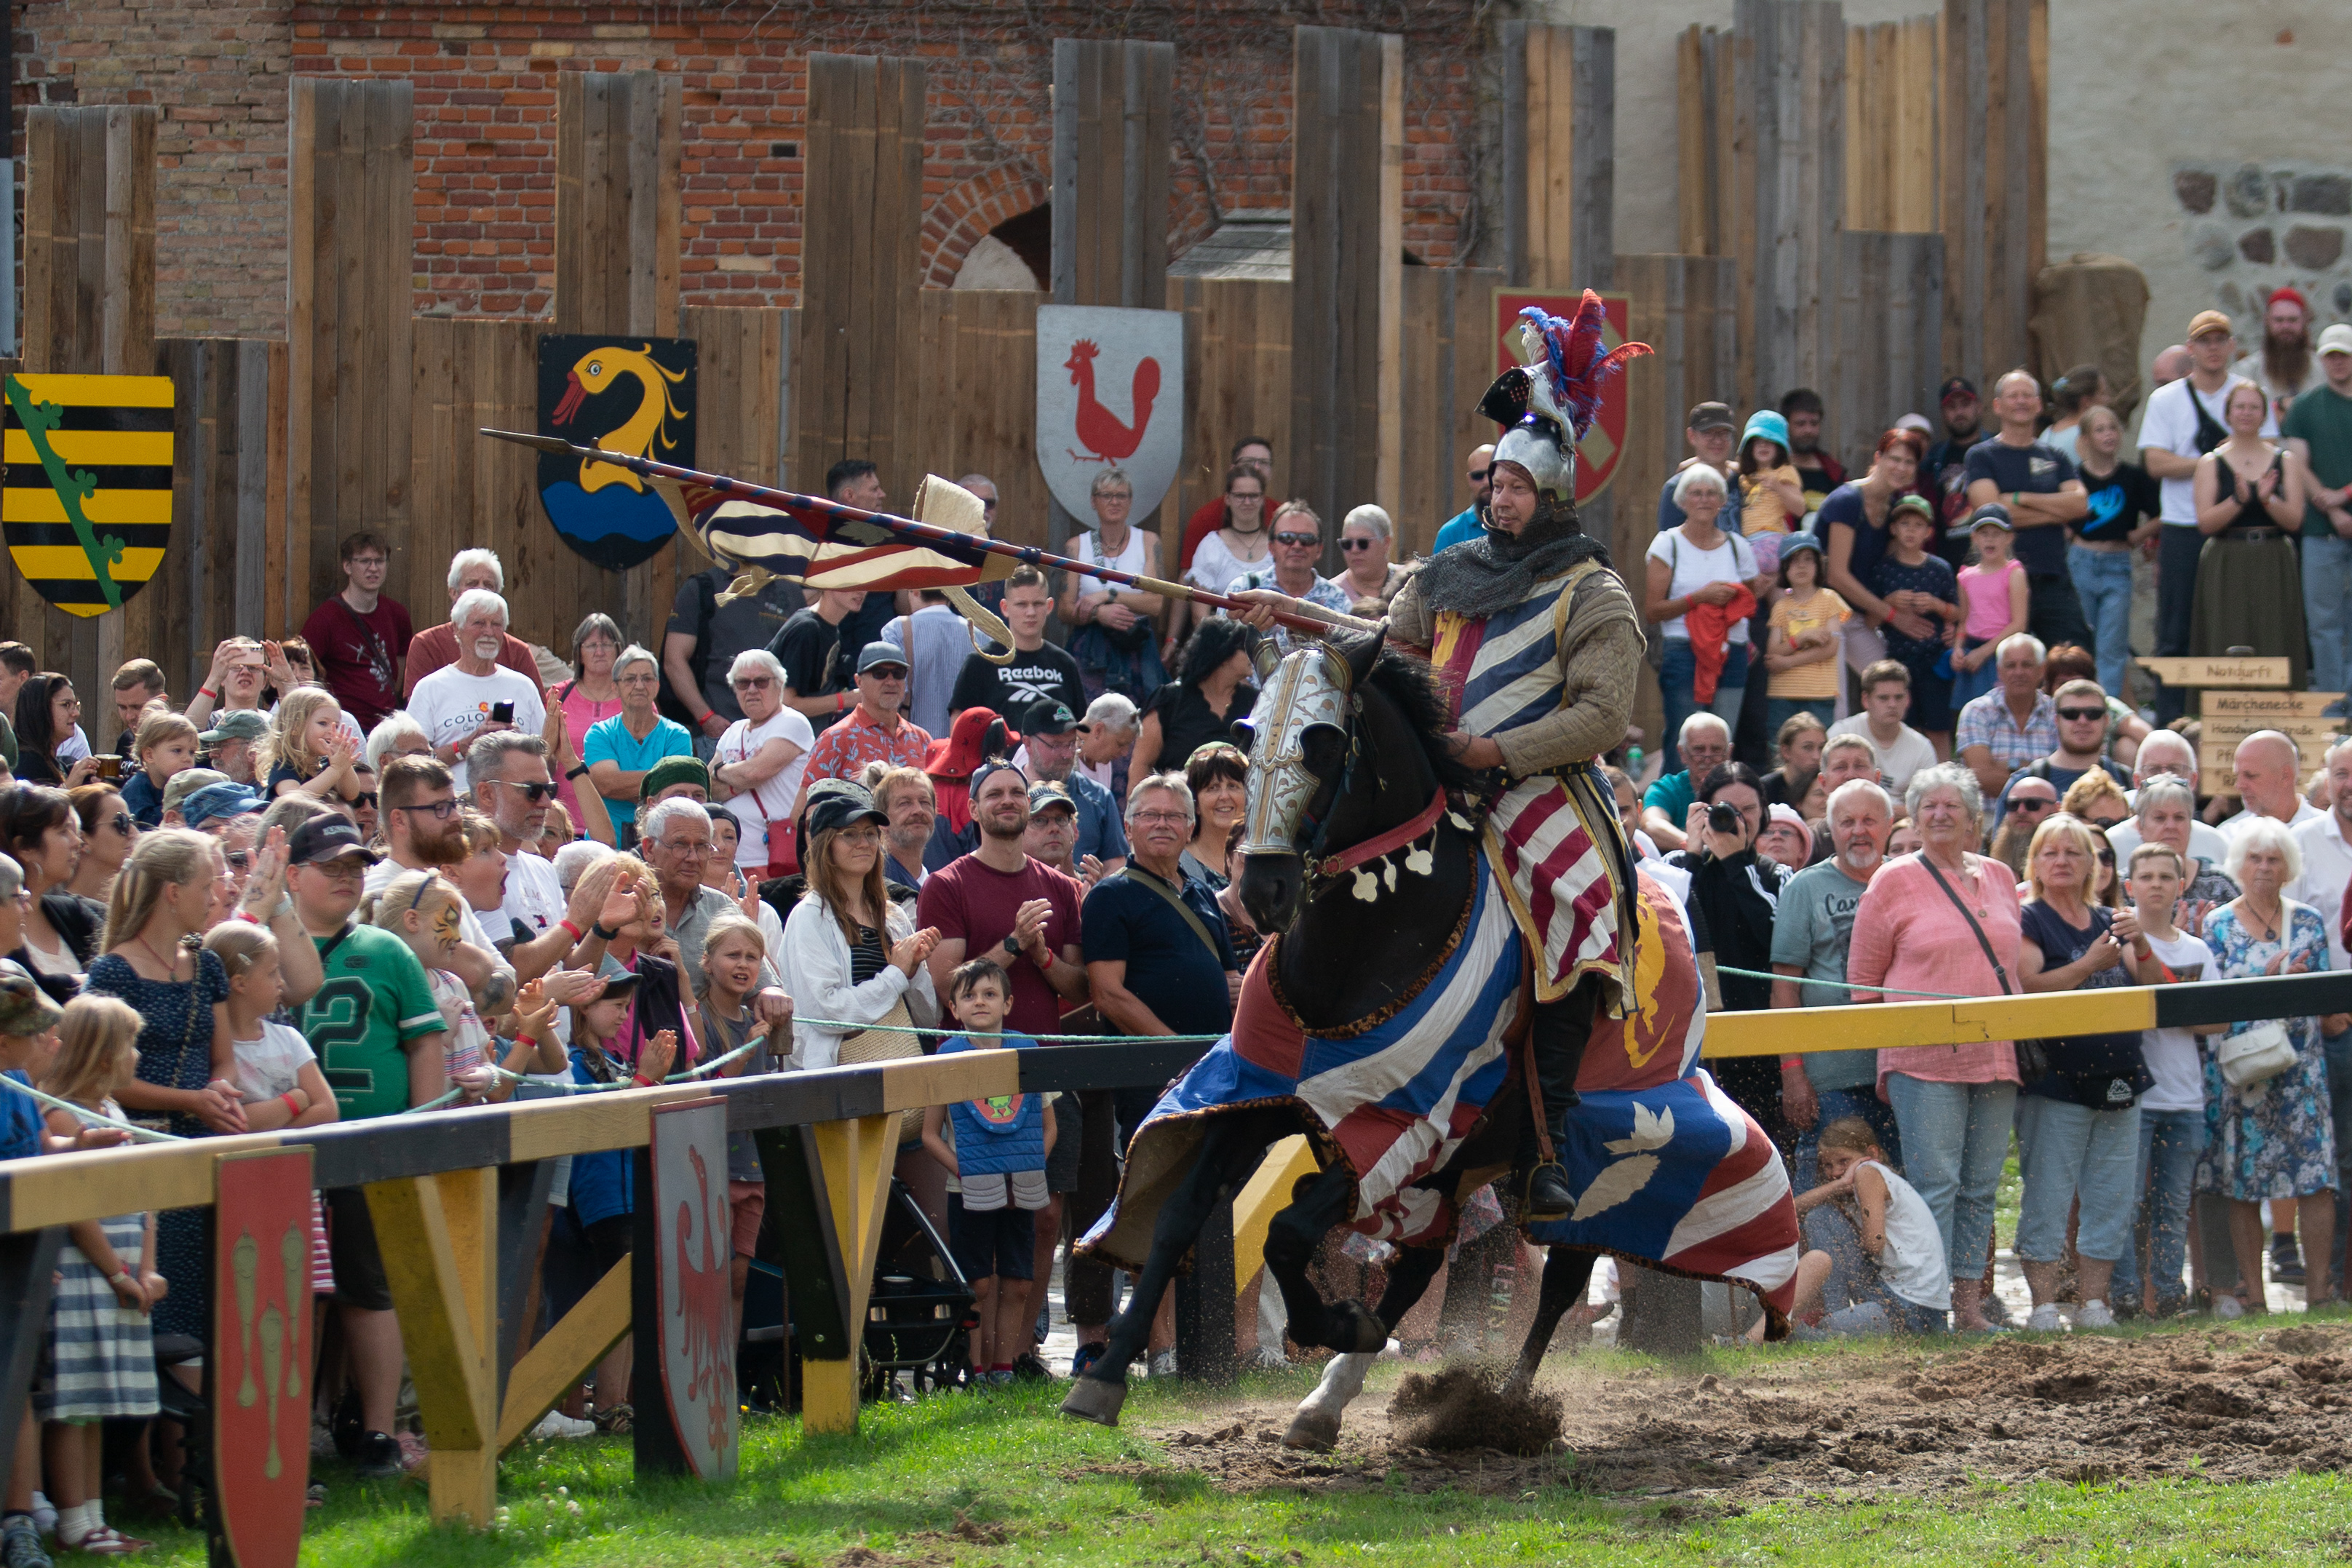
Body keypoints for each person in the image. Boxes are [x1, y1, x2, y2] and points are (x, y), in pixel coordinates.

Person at [1847, 763, 2022, 1333]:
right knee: (1935, 1186)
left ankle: (1968, 1307)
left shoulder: (2001, 876)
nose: (1941, 814)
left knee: (1980, 1187)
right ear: (1915, 818)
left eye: (1953, 806)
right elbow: (1862, 986)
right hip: (1921, 1060)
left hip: (1996, 1054)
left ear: (1974, 820)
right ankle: (1927, 1310)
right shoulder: (1891, 880)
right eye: (1930, 805)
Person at [34, 994, 164, 1556]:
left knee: (96, 1403)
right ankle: (74, 1521)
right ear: (103, 1054)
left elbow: (145, 1194)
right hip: (85, 1274)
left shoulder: (113, 1111)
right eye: (130, 1045)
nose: (137, 1055)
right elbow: (76, 1209)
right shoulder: (62, 1116)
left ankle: (96, 1518)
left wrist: (147, 1268)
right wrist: (117, 1273)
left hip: (123, 1272)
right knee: (74, 1403)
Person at [2013, 813, 2150, 1331]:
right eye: (2051, 852)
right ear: (2035, 864)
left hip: (2121, 1074)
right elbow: (2027, 985)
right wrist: (2088, 965)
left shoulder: (2112, 918)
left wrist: (2145, 942)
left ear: (2093, 864)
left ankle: (2094, 1303)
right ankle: (2044, 1307)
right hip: (2056, 1080)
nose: (2063, 861)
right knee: (2048, 1193)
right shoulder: (2029, 918)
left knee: (2112, 1195)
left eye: (2074, 852)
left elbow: (2154, 984)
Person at [2199, 819, 2340, 1316]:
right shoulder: (2216, 924)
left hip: (2302, 1069)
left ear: (2288, 867)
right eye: (2255, 858)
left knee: (2315, 1179)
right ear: (2239, 865)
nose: (2264, 867)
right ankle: (2254, 1296)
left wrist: (2303, 989)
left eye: (2274, 859)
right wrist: (2266, 978)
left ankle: (2319, 1293)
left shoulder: (2308, 922)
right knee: (2244, 1183)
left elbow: (2326, 1001)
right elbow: (2212, 1003)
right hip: (2243, 1074)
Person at [1081, 773, 1241, 1150]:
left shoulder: (1204, 893)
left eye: (1174, 817)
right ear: (1128, 827)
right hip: (1153, 1077)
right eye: (1149, 815)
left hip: (1216, 1072)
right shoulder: (1110, 896)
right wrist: (1180, 1054)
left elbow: (1231, 979)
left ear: (1190, 829)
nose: (1162, 824)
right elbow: (1107, 994)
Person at [919, 958, 1055, 1386]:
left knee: (1017, 1281)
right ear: (953, 1008)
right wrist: (967, 1171)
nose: (980, 1002)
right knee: (976, 1283)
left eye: (990, 994)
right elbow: (930, 1134)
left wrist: (1028, 1163)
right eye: (969, 996)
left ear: (1008, 1004)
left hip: (1021, 1186)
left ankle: (1005, 1368)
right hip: (967, 1190)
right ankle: (975, 1369)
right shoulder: (946, 1058)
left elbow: (1049, 1126)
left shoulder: (1025, 1052)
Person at [2140, 309, 2274, 725]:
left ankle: (2240, 721)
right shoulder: (2166, 399)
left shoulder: (2248, 394)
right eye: (2204, 341)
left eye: (2220, 340)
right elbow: (2155, 462)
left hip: (2239, 529)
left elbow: (2267, 456)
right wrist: (2213, 464)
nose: (2213, 348)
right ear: (2191, 348)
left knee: (2239, 628)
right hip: (2183, 526)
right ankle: (2170, 725)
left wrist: (2211, 465)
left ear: (2232, 346)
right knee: (2175, 629)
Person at [1772, 778, 1904, 1189]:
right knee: (1830, 1196)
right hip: (1833, 1078)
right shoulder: (1805, 888)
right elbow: (1783, 988)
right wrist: (1792, 1073)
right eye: (1847, 822)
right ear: (1831, 829)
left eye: (1869, 820)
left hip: (1904, 1071)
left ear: (1889, 824)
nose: (1859, 831)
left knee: (1901, 1193)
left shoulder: (1909, 880)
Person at [2109, 843, 2217, 1318]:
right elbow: (2154, 988)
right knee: (2127, 1202)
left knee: (2173, 1205)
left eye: (2165, 877)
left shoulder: (2197, 948)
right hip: (2135, 1096)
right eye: (2147, 876)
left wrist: (2178, 1007)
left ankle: (2169, 1295)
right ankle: (2126, 1296)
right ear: (2130, 886)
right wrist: (2184, 1002)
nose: (2156, 884)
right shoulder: (2118, 941)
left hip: (2185, 1096)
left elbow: (2217, 1021)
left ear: (2182, 885)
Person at [1665, 762, 1788, 1142]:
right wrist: (1692, 853)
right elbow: (1664, 923)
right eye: (1725, 809)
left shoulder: (1776, 875)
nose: (1736, 819)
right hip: (1689, 1038)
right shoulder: (1677, 868)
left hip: (1759, 1038)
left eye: (1748, 810)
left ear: (1764, 815)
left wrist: (1737, 864)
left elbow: (1777, 936)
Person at [780, 781, 940, 1071]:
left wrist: (914, 970)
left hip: (902, 1064)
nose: (864, 843)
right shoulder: (810, 917)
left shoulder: (893, 916)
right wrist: (896, 974)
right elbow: (826, 1012)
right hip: (836, 1075)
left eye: (870, 834)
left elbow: (928, 1018)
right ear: (825, 845)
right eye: (850, 834)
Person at [1745, 1116, 1947, 1341]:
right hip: (1900, 1297)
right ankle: (1831, 1318)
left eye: (1844, 1161)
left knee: (1824, 1326)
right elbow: (1792, 1211)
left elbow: (1874, 1244)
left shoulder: (1868, 1172)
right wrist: (1839, 1185)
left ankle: (1823, 1325)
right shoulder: (1862, 1177)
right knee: (1821, 1216)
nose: (1835, 1172)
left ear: (1872, 1153)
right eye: (1828, 1165)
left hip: (1911, 1308)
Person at [368, 755, 517, 1008]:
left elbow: (508, 986)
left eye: (454, 804)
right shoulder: (382, 894)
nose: (456, 818)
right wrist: (479, 970)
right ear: (399, 820)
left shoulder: (446, 891)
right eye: (439, 808)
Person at [1644, 465, 1765, 773]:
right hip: (1683, 650)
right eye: (1696, 493)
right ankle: (1676, 799)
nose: (1704, 500)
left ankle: (1718, 798)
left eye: (1711, 493)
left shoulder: (1738, 547)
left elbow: (1748, 600)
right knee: (1685, 740)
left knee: (1724, 738)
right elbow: (1653, 610)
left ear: (1722, 502)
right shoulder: (1668, 544)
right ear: (1683, 501)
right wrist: (1699, 598)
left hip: (1732, 651)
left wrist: (1728, 603)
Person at [2192, 380, 2311, 689]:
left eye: (2254, 407)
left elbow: (2294, 520)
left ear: (2264, 414)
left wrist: (2268, 500)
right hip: (2226, 558)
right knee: (2226, 634)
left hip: (2273, 556)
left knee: (2275, 635)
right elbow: (2206, 523)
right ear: (2228, 413)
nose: (2246, 413)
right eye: (2240, 407)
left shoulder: (2285, 460)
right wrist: (2238, 501)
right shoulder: (2210, 462)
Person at [1963, 368, 2091, 648]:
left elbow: (2080, 505)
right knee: (2004, 662)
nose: (2021, 401)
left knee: (2073, 656)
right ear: (1998, 406)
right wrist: (2055, 512)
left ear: (2038, 405)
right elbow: (1990, 515)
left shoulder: (2055, 456)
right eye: (2013, 396)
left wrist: (2020, 498)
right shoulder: (1982, 456)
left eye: (2027, 395)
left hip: (2052, 578)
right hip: (2000, 581)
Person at [1819, 428, 1926, 702]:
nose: (1900, 468)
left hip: (1858, 618)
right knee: (1835, 704)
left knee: (1892, 689)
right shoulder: (1847, 500)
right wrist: (1892, 615)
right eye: (1894, 459)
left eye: (1909, 462)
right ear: (1878, 458)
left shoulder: (1896, 508)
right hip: (1823, 614)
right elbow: (1836, 576)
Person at [407, 590, 547, 795]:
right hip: (451, 807)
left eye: (496, 624)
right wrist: (465, 746)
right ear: (457, 629)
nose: (489, 632)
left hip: (514, 806)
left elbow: (548, 762)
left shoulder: (523, 686)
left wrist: (519, 743)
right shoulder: (430, 688)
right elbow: (410, 764)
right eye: (479, 623)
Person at [2066, 406, 2163, 700]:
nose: (2108, 435)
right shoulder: (2074, 478)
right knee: (2080, 643)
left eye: (2112, 428)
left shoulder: (2133, 476)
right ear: (2085, 438)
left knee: (2112, 646)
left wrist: (2138, 536)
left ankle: (2103, 709)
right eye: (2100, 430)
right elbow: (2062, 515)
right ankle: (2077, 703)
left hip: (2117, 565)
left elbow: (2161, 513)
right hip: (2082, 561)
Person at [663, 558, 803, 748]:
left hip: (777, 731)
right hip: (720, 731)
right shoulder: (703, 587)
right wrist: (706, 718)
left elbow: (801, 662)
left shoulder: (790, 589)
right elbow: (674, 660)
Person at [1057, 466, 1169, 704]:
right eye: (1106, 495)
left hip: (1136, 642)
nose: (1114, 502)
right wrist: (1099, 614)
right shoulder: (1077, 546)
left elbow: (1156, 603)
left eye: (1121, 496)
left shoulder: (1148, 541)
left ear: (1130, 501)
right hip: (1091, 645)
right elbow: (1064, 610)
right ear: (1093, 501)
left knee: (1146, 713)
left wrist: (1108, 595)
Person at [2283, 324, 2352, 704]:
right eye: (2331, 356)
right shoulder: (2306, 407)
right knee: (2324, 623)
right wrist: (2332, 507)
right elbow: (2296, 461)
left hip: (2334, 517)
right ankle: (2331, 706)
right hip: (2320, 531)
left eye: (2344, 355)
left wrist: (2343, 495)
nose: (2337, 363)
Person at [710, 649, 814, 880]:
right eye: (743, 683)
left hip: (777, 859)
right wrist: (741, 777)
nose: (752, 690)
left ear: (780, 684)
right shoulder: (734, 730)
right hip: (734, 859)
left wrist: (721, 770)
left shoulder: (792, 722)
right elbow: (709, 785)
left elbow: (756, 772)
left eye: (761, 682)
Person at [795, 643, 934, 816]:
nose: (891, 682)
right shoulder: (836, 738)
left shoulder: (922, 739)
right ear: (859, 682)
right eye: (880, 673)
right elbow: (802, 811)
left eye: (898, 674)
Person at [1865, 496, 1960, 747]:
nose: (1911, 531)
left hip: (1934, 661)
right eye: (1905, 524)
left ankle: (1943, 769)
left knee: (1939, 729)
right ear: (1893, 529)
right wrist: (1889, 602)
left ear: (1929, 532)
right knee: (1907, 728)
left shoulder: (1940, 569)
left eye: (1918, 525)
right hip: (1898, 663)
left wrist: (1937, 605)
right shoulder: (1882, 570)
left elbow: (1958, 613)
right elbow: (1870, 621)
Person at [581, 644, 694, 845]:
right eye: (630, 679)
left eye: (647, 679)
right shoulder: (600, 733)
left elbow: (675, 790)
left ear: (657, 686)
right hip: (607, 845)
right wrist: (659, 782)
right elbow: (607, 785)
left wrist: (624, 785)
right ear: (615, 687)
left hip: (662, 845)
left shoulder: (677, 735)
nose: (640, 686)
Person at [299, 531, 411, 730]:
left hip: (388, 727)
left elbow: (401, 664)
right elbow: (303, 669)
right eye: (365, 561)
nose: (373, 568)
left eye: (379, 561)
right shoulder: (325, 619)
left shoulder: (397, 614)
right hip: (344, 727)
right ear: (347, 566)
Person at [947, 565, 1084, 727]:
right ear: (1005, 608)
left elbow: (1081, 726)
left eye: (1038, 604)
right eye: (1022, 604)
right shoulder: (980, 663)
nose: (1031, 612)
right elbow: (959, 727)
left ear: (1049, 606)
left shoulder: (1065, 664)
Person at [400, 548, 544, 698]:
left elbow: (537, 707)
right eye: (472, 584)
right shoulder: (427, 644)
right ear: (453, 592)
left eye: (488, 585)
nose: (481, 591)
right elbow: (419, 707)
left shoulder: (518, 652)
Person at [1992, 678, 2132, 828]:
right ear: (2056, 720)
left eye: (2093, 714)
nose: (2082, 721)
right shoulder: (2022, 783)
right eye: (2071, 714)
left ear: (2107, 720)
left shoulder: (2126, 780)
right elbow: (2002, 842)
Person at [1132, 616, 1256, 780]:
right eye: (1245, 647)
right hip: (1178, 795)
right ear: (1224, 653)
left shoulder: (1256, 702)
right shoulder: (1170, 700)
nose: (1253, 652)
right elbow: (1142, 764)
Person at [1225, 500, 1352, 656]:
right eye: (1287, 538)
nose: (1297, 545)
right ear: (1271, 547)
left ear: (1319, 549)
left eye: (1307, 539)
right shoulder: (1243, 589)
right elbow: (1218, 652)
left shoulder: (1338, 599)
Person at [1017, 699, 1127, 875]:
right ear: (1028, 744)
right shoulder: (1008, 794)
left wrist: (1095, 887)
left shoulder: (1099, 797)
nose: (1067, 755)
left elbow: (1116, 863)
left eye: (1072, 743)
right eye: (1056, 745)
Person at [1761, 534, 1848, 741]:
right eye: (1794, 560)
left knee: (1818, 749)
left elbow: (1831, 648)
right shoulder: (1781, 606)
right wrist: (1801, 638)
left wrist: (1788, 661)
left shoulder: (1830, 599)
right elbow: (1773, 652)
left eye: (1808, 559)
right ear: (1784, 568)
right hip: (1782, 693)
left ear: (1819, 565)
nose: (1801, 566)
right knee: (1779, 748)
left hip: (1820, 694)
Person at [1179, 463, 1273, 645]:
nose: (1247, 502)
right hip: (1224, 646)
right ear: (1228, 499)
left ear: (1263, 499)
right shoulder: (1211, 547)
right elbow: (1200, 617)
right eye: (1240, 496)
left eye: (1253, 496)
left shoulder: (1278, 546)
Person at [1955, 632, 2056, 801]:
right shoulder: (1977, 711)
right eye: (2011, 666)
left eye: (2027, 665)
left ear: (2041, 670)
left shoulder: (2056, 712)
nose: (2019, 672)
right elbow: (1980, 776)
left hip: (2048, 815)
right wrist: (2037, 772)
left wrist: (2006, 766)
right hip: (1990, 815)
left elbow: (2063, 774)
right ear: (1999, 672)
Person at [1949, 506, 2030, 712]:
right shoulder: (1965, 577)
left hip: (2002, 652)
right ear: (1974, 538)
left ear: (2009, 538)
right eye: (1984, 534)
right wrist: (1958, 648)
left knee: (2001, 710)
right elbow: (1964, 621)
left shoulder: (2014, 572)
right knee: (1972, 711)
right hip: (1972, 654)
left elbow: (2019, 624)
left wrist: (1984, 652)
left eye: (1996, 534)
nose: (1990, 540)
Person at [548, 613, 625, 828]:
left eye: (606, 645)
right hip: (565, 821)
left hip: (618, 821)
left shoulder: (633, 695)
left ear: (618, 650)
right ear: (579, 652)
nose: (599, 652)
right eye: (591, 646)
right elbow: (544, 753)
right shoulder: (559, 695)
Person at [1827, 661, 1939, 795]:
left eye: (1899, 697)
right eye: (1883, 698)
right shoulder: (1841, 734)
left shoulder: (1922, 747)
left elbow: (1928, 801)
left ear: (1908, 699)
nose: (1892, 704)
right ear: (1865, 700)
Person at [879, 589, 974, 741]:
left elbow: (889, 693)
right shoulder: (979, 634)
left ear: (915, 591)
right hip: (964, 745)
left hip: (912, 743)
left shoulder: (897, 630)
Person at [768, 586, 870, 723]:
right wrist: (845, 700)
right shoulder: (807, 630)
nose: (862, 591)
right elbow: (787, 704)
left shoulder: (829, 627)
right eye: (852, 584)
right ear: (827, 584)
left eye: (865, 585)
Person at [1640, 712, 1732, 854]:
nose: (1708, 758)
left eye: (1716, 750)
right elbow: (1651, 825)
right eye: (1699, 750)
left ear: (1729, 753)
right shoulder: (1667, 789)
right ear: (1682, 753)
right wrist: (1697, 846)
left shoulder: (1742, 788)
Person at [2233, 284, 2325, 425]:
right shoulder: (2245, 373)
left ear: (2304, 321)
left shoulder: (2323, 369)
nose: (2286, 327)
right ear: (2267, 321)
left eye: (2292, 320)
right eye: (2279, 320)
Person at [1180, 436, 1276, 570]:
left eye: (1264, 463)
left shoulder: (1281, 516)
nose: (1257, 467)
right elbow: (1187, 576)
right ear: (1232, 469)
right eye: (1248, 462)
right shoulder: (1205, 518)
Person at [259, 685, 364, 805]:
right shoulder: (284, 765)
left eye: (336, 725)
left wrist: (345, 766)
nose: (332, 730)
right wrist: (335, 770)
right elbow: (295, 799)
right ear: (295, 727)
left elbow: (350, 794)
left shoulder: (327, 763)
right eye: (323, 723)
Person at [2220, 731, 2324, 841]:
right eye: (2237, 776)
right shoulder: (2229, 837)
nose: (2239, 785)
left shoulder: (2326, 833)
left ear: (2285, 776)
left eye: (2251, 776)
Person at [1922, 376, 1991, 533]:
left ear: (1978, 407)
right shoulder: (1933, 459)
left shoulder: (1996, 450)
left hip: (1990, 544)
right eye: (1952, 407)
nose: (1959, 412)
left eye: (1965, 405)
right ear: (1943, 414)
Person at [1735, 410, 1808, 560]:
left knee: (1745, 563)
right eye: (1758, 441)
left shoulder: (1784, 471)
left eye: (1770, 441)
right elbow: (1723, 465)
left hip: (1771, 538)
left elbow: (1800, 509)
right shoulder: (1744, 475)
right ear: (1749, 447)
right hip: (1745, 541)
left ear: (1780, 447)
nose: (1764, 446)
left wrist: (1778, 488)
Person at [1656, 402, 1738, 533]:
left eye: (1724, 433)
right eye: (1708, 433)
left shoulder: (1745, 483)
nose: (1717, 440)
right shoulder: (1676, 488)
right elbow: (1671, 541)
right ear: (1692, 436)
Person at [119, 709, 199, 830]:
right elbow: (143, 825)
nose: (187, 759)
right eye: (177, 750)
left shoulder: (183, 785)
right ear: (149, 755)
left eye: (192, 752)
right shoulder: (137, 787)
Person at [13, 675, 93, 789]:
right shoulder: (25, 764)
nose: (76, 713)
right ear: (39, 709)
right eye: (66, 705)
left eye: (76, 705)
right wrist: (68, 787)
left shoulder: (57, 764)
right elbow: (29, 800)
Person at [1780, 386, 1848, 510]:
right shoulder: (1774, 470)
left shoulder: (1834, 474)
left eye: (1814, 423)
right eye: (1800, 424)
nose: (1808, 430)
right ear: (1786, 425)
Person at [66, 785, 135, 905]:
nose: (134, 833)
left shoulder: (139, 906)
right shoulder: (55, 912)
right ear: (83, 840)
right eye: (122, 823)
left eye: (132, 821)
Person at [873, 765, 937, 893]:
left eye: (924, 802)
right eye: (905, 803)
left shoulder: (939, 886)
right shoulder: (873, 883)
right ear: (882, 820)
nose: (918, 810)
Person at [1335, 505, 1409, 611]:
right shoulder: (1331, 594)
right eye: (1347, 544)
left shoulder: (1410, 583)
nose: (1354, 550)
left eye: (1363, 543)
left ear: (1386, 543)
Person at [1432, 442, 1496, 552]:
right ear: (1469, 480)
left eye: (1492, 473)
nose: (1486, 482)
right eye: (1478, 476)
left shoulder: (1521, 527)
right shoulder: (1450, 534)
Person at [2039, 364, 2106, 461]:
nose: (2108, 400)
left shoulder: (2047, 434)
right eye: (2103, 394)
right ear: (2087, 401)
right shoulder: (2089, 436)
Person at [1762, 711, 1827, 808]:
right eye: (1808, 747)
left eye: (1821, 747)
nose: (1817, 756)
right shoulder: (1764, 790)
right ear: (1786, 751)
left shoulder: (1829, 785)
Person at [108, 659, 167, 759]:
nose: (129, 717)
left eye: (137, 707)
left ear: (161, 700)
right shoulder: (126, 740)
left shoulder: (181, 745)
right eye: (123, 707)